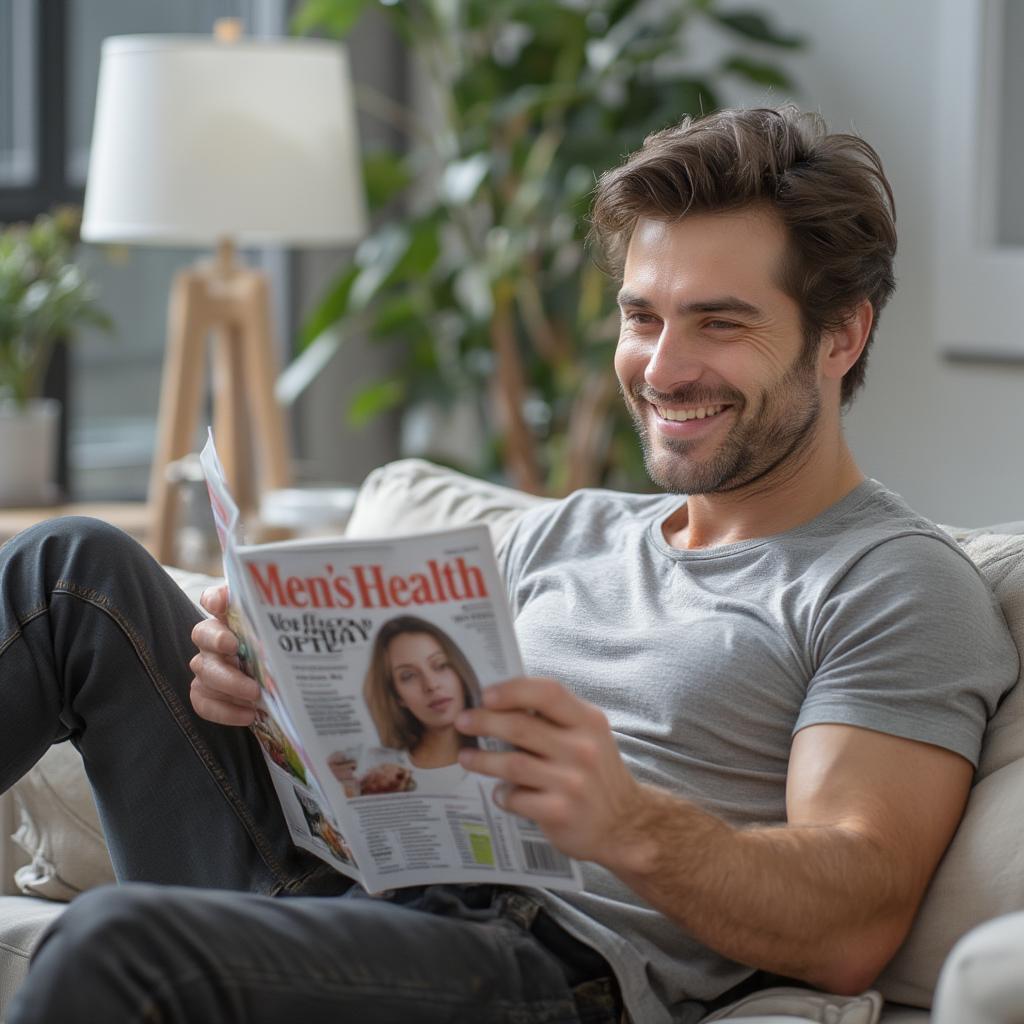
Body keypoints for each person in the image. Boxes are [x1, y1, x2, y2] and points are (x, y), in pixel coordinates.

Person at [0, 105, 1017, 1024]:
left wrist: (626, 822)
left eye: (720, 321)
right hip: (344, 892)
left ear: (841, 335)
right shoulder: (569, 529)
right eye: (641, 315)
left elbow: (854, 917)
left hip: (531, 963)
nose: (661, 368)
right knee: (70, 573)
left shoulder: (893, 583)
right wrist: (266, 695)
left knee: (113, 946)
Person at [360, 615, 483, 789]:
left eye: (440, 665)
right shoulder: (378, 766)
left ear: (459, 672)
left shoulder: (501, 748)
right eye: (408, 676)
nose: (431, 685)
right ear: (397, 696)